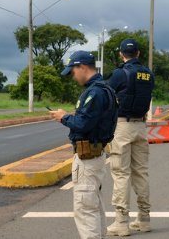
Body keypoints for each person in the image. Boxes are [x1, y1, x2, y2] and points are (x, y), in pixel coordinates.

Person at [50, 50, 118, 239]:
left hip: (87, 158)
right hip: (97, 154)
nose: (73, 75)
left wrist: (63, 117)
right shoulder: (106, 89)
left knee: (85, 210)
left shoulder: (94, 92)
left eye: (73, 70)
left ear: (82, 67)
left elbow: (82, 124)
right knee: (94, 206)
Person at [106, 38, 154, 236]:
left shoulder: (119, 73)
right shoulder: (148, 74)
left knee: (121, 173)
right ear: (139, 53)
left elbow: (107, 96)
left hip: (122, 126)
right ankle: (144, 219)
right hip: (141, 126)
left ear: (121, 54)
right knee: (141, 172)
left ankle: (121, 222)